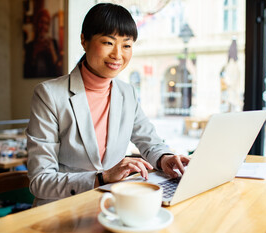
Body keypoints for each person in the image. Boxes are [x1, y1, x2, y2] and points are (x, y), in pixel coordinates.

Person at [26, 3, 190, 207]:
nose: (118, 55)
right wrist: (102, 178)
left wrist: (165, 159)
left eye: (127, 45)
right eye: (108, 42)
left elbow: (150, 142)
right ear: (84, 41)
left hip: (112, 206)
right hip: (61, 209)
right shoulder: (49, 95)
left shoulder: (127, 93)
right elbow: (40, 181)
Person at [24, 8, 62, 78]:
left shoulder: (54, 43)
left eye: (46, 23)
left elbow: (60, 72)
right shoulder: (29, 46)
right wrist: (35, 53)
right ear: (36, 24)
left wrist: (52, 51)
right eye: (41, 22)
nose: (43, 26)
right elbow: (26, 73)